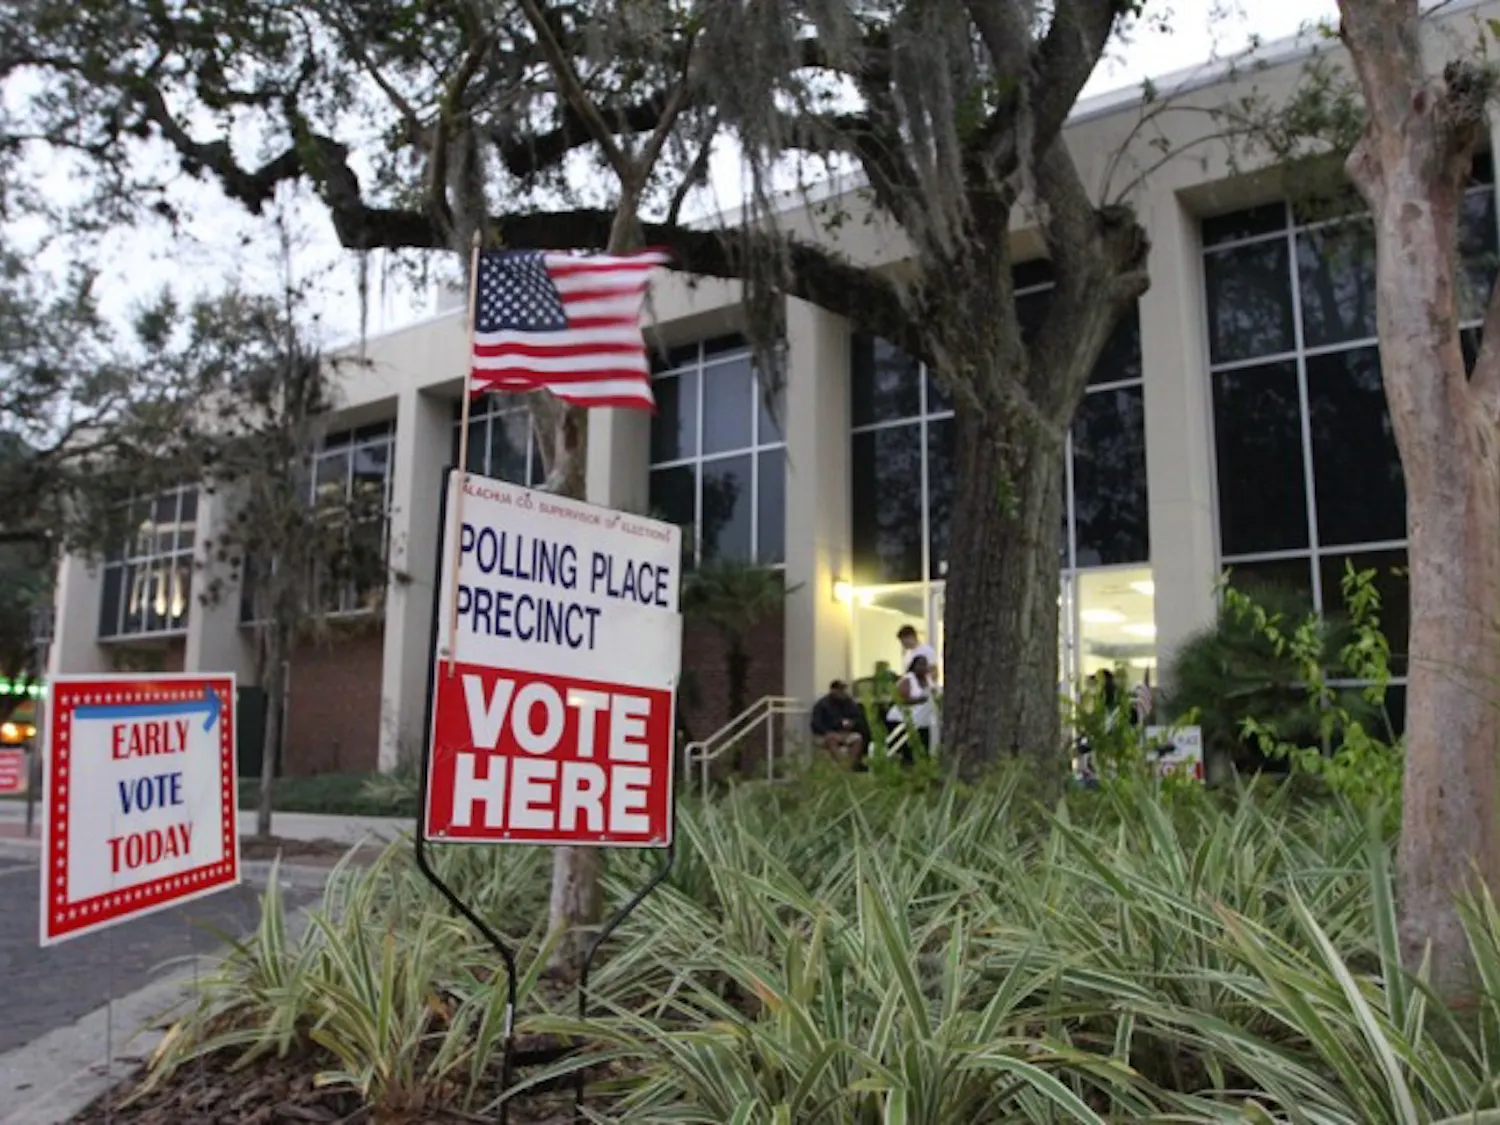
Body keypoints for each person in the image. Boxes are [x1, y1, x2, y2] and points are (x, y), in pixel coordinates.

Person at [887, 653, 939, 765]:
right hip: (902, 716)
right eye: (920, 664)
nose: (923, 667)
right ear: (913, 666)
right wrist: (919, 700)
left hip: (922, 717)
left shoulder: (927, 680)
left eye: (925, 665)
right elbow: (899, 699)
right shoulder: (907, 679)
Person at [810, 680, 868, 766]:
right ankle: (842, 764)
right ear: (833, 690)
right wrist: (828, 730)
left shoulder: (849, 703)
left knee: (857, 738)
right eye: (840, 690)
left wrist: (853, 723)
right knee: (832, 739)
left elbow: (858, 717)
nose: (842, 692)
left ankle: (851, 764)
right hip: (828, 733)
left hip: (845, 732)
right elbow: (816, 723)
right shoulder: (822, 704)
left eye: (843, 689)